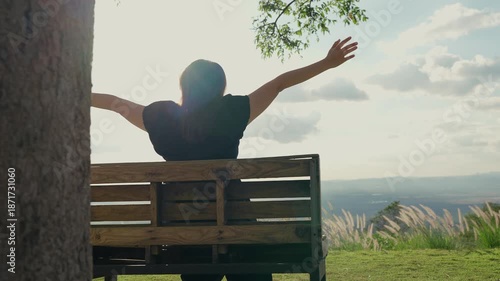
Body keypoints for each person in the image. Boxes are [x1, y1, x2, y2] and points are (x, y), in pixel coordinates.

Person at [91, 36, 357, 281]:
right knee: (248, 258)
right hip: (240, 233)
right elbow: (278, 84)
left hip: (186, 237)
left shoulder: (161, 118)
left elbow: (117, 103)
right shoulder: (232, 111)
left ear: (183, 85)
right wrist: (326, 63)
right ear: (220, 86)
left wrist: (70, 93)